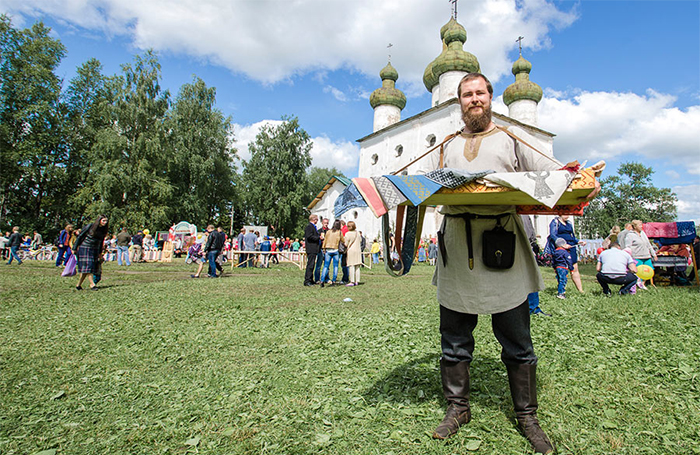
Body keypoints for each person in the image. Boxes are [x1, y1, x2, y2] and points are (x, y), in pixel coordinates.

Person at [423, 73, 598, 454]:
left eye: (480, 93)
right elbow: (425, 187)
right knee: (454, 340)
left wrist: (579, 177)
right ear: (460, 103)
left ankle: (527, 416)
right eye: (467, 95)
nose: (474, 100)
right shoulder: (446, 146)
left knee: (517, 341)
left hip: (503, 244)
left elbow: (554, 175)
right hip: (456, 245)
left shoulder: (512, 139)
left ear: (490, 98)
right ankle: (457, 409)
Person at [545, 215, 586, 293]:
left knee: (574, 268)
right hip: (561, 249)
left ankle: (580, 290)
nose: (567, 215)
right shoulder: (555, 222)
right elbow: (553, 235)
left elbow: (572, 236)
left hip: (571, 247)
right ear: (560, 213)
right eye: (565, 213)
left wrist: (578, 241)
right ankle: (561, 289)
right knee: (561, 269)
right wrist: (562, 245)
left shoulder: (569, 223)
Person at [74, 215, 110, 290]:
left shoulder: (103, 230)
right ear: (99, 220)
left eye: (106, 221)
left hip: (95, 249)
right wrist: (74, 247)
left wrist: (100, 253)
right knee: (88, 266)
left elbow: (101, 242)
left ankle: (78, 285)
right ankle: (92, 284)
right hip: (85, 247)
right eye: (103, 220)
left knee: (87, 268)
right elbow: (80, 236)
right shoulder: (90, 226)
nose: (105, 222)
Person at [626, 220, 657, 290]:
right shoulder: (630, 235)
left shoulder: (643, 233)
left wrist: (653, 254)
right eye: (639, 225)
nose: (641, 226)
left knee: (649, 270)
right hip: (636, 256)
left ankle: (642, 284)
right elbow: (627, 247)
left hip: (646, 255)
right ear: (635, 226)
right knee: (638, 272)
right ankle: (637, 285)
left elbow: (648, 244)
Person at [319, 220, 345, 287]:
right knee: (335, 266)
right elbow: (343, 240)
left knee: (326, 266)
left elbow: (325, 240)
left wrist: (323, 248)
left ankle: (322, 280)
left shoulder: (328, 232)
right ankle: (333, 281)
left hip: (328, 249)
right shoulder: (339, 232)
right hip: (335, 250)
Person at [303, 214, 321, 286]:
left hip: (314, 248)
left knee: (312, 264)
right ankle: (307, 280)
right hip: (311, 248)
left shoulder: (313, 227)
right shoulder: (309, 227)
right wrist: (318, 237)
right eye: (317, 219)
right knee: (310, 265)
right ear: (314, 219)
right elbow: (309, 236)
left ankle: (310, 279)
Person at [344, 221, 362, 286]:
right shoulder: (358, 233)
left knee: (351, 266)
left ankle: (352, 281)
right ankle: (357, 281)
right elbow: (360, 240)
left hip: (351, 250)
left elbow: (346, 244)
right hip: (358, 250)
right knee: (357, 266)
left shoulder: (347, 234)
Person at [314, 218, 330, 282]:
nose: (326, 224)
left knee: (327, 265)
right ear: (322, 223)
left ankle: (326, 278)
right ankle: (317, 279)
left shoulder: (329, 231)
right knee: (318, 265)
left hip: (327, 250)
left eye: (327, 223)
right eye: (325, 223)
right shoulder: (319, 231)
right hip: (320, 249)